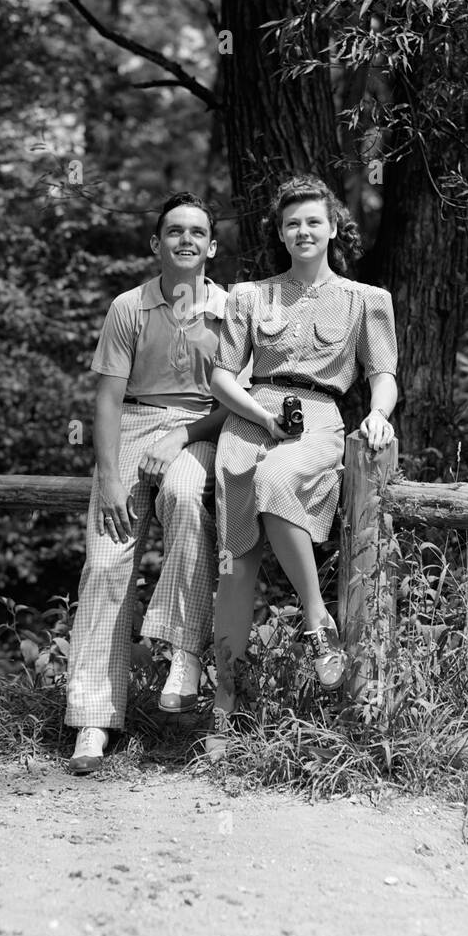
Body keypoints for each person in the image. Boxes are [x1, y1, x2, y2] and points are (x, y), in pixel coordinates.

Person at [206, 175, 398, 757]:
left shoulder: (368, 300)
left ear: (333, 226)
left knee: (278, 477)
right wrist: (260, 419)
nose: (303, 231)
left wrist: (380, 415)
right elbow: (219, 375)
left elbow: (382, 374)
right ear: (281, 234)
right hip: (249, 416)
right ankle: (222, 708)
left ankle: (318, 623)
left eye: (314, 220)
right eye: (292, 224)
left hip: (318, 418)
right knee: (235, 568)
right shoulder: (249, 297)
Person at [65, 193, 230, 774]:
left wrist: (181, 437)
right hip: (133, 423)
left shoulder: (229, 311)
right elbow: (107, 399)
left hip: (203, 426)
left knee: (186, 495)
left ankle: (182, 651)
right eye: (174, 231)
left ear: (212, 246)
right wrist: (110, 476)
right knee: (106, 563)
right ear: (155, 244)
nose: (186, 240)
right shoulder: (128, 308)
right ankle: (92, 718)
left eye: (198, 232)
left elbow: (236, 398)